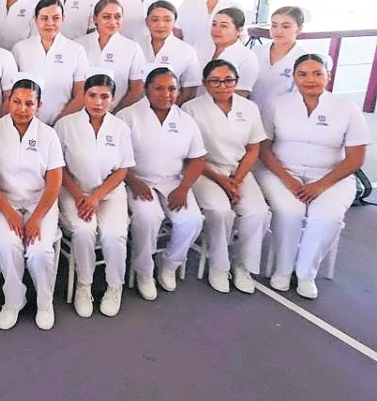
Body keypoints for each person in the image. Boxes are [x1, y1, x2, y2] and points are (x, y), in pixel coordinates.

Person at [257, 54, 369, 298]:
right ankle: (283, 270)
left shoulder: (347, 109)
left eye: (317, 73)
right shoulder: (277, 104)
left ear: (328, 76)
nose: (310, 79)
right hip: (282, 171)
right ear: (294, 78)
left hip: (332, 176)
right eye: (302, 74)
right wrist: (288, 180)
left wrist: (320, 185)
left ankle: (306, 273)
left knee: (327, 217)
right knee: (290, 211)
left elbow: (356, 158)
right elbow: (264, 148)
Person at [0, 78, 65, 331]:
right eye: (16, 102)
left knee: (39, 250)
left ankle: (44, 301)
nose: (22, 108)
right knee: (8, 245)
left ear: (39, 106)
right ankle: (14, 300)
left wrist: (37, 217)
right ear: (8, 102)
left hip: (40, 203)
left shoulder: (48, 135)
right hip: (1, 202)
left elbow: (54, 181)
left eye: (29, 103)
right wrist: (8, 213)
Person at [118, 68, 206, 298]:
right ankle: (144, 271)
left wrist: (184, 188)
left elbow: (197, 159)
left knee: (192, 220)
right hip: (137, 180)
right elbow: (116, 158)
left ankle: (169, 264)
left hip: (173, 182)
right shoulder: (128, 116)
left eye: (172, 89)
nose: (166, 94)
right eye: (159, 88)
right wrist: (132, 180)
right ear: (146, 89)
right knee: (148, 217)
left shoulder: (186, 121)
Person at [185, 60, 270, 294]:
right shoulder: (191, 109)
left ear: (236, 81)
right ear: (204, 84)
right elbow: (191, 154)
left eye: (228, 80)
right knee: (220, 211)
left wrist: (237, 179)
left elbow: (254, 147)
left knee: (258, 212)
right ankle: (219, 266)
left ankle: (243, 265)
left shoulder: (249, 108)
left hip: (239, 171)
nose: (222, 86)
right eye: (215, 81)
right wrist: (222, 181)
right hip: (205, 170)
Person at [55, 73, 135, 318]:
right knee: (84, 230)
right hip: (74, 192)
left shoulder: (120, 128)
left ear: (112, 99)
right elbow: (58, 167)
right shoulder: (66, 125)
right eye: (92, 96)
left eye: (104, 97)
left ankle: (114, 286)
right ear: (83, 96)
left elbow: (122, 169)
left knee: (114, 234)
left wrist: (96, 196)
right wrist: (80, 195)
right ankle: (84, 284)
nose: (98, 102)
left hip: (108, 194)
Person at [12, 0, 88, 125]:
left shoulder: (76, 50)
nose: (50, 23)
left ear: (63, 18)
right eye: (44, 18)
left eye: (56, 18)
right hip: (24, 123)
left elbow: (81, 93)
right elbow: (12, 92)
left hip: (62, 123)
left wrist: (61, 122)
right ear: (35, 19)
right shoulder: (20, 49)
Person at [78, 0, 145, 112]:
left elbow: (136, 90)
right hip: (80, 114)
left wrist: (115, 114)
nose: (113, 21)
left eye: (117, 16)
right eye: (106, 17)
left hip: (116, 114)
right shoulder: (79, 44)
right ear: (95, 19)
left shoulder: (132, 48)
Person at [250, 5, 307, 118]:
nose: (278, 31)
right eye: (274, 25)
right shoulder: (255, 52)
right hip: (249, 117)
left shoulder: (304, 60)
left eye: (286, 26)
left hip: (281, 120)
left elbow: (301, 99)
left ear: (299, 29)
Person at [142, 0, 201, 105]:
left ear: (174, 22)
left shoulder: (186, 50)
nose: (161, 25)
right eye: (155, 20)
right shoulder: (137, 45)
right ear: (147, 22)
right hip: (135, 110)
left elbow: (190, 90)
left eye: (167, 20)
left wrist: (169, 110)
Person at [195, 8, 259, 97]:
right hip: (191, 105)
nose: (216, 30)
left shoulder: (247, 58)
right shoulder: (200, 46)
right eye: (214, 24)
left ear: (239, 30)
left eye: (224, 26)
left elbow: (241, 94)